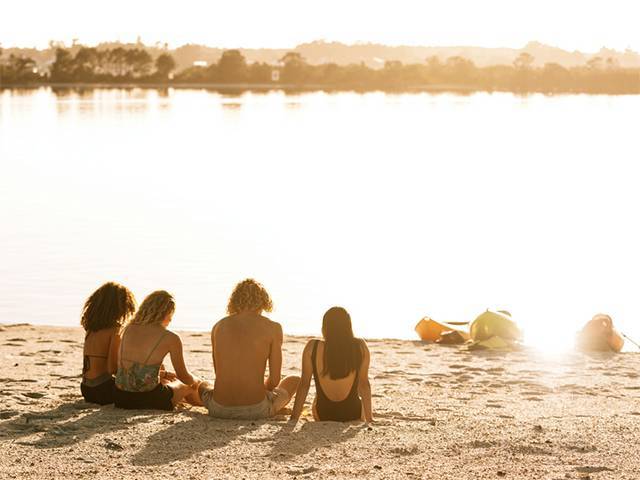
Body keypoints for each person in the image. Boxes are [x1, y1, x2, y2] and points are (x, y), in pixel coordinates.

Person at [197, 279, 300, 419]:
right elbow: (274, 380)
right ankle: (272, 405)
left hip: (219, 409)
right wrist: (259, 389)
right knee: (294, 380)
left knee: (203, 385)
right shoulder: (273, 328)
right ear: (263, 301)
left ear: (234, 300)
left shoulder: (219, 326)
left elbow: (219, 372)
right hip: (256, 409)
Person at [114, 290, 199, 410]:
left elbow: (133, 369)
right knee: (187, 386)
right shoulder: (170, 337)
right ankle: (203, 402)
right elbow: (183, 376)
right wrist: (196, 380)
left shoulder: (128, 328)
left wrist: (164, 374)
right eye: (171, 315)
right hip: (149, 399)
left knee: (166, 377)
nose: (171, 320)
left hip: (120, 397)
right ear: (168, 312)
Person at [291, 306, 373, 423]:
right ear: (348, 326)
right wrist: (369, 419)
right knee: (358, 397)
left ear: (325, 327)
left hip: (323, 413)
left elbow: (304, 384)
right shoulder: (360, 346)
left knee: (316, 398)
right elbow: (364, 384)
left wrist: (294, 418)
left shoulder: (312, 347)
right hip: (353, 413)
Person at [81, 282, 136, 405]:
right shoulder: (115, 330)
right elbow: (112, 368)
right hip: (103, 390)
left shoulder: (91, 329)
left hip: (86, 389)